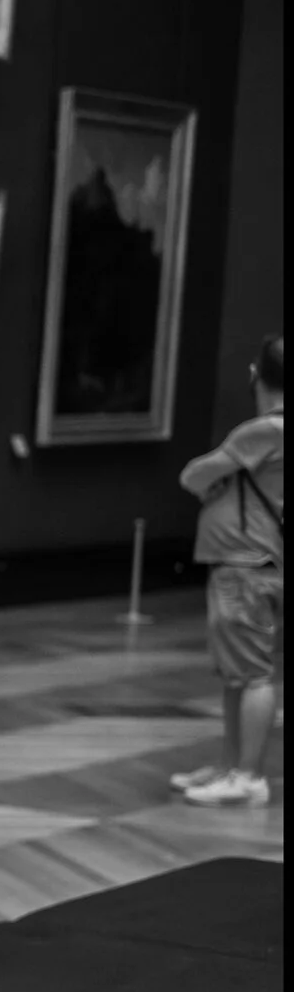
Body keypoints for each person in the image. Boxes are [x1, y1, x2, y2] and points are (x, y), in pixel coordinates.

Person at [172, 333, 284, 808]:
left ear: (257, 374)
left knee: (253, 674)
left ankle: (248, 776)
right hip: (255, 562)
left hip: (245, 563)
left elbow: (194, 475)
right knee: (240, 674)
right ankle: (231, 764)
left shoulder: (266, 431)